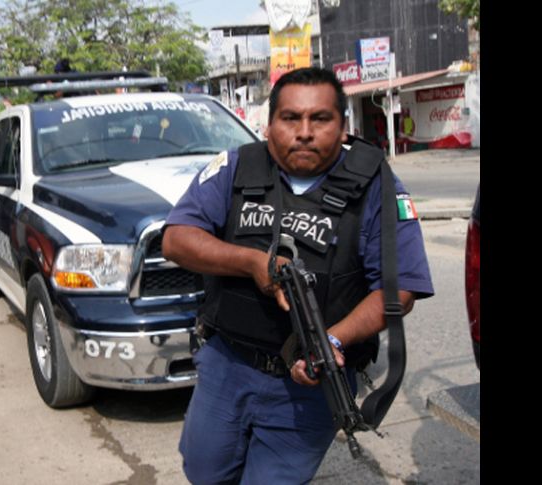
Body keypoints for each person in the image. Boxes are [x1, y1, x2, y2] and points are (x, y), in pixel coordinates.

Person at [162, 67, 434, 484]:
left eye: (320, 119)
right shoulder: (236, 168)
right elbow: (176, 239)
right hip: (227, 366)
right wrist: (252, 263)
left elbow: (401, 290)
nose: (304, 132)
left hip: (309, 384)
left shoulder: (377, 186)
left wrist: (333, 339)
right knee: (204, 472)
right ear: (269, 125)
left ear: (343, 126)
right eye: (290, 118)